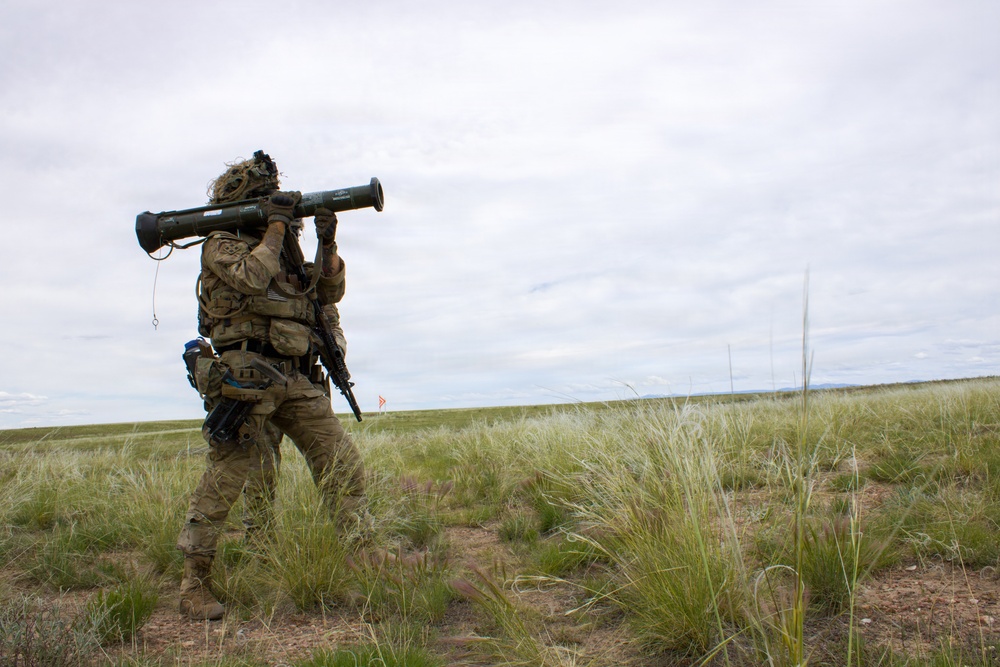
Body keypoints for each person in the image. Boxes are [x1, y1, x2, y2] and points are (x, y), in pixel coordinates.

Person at [176, 151, 366, 621]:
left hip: (296, 376)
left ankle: (361, 561)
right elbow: (251, 276)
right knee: (228, 477)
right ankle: (193, 584)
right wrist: (276, 227)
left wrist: (327, 243)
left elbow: (327, 294)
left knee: (341, 462)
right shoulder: (222, 243)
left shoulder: (288, 253)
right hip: (247, 377)